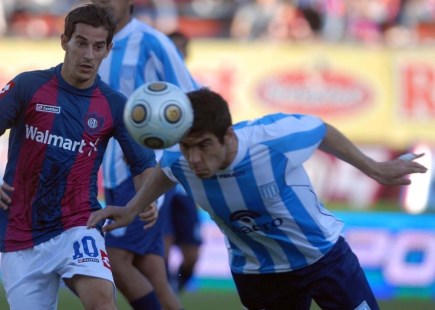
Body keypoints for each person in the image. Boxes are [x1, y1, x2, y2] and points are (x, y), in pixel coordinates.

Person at [87, 88, 428, 310]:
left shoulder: (272, 141)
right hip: (258, 273)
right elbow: (166, 171)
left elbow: (321, 130)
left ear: (228, 137)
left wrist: (374, 168)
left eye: (204, 145)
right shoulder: (180, 158)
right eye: (187, 146)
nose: (194, 159)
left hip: (321, 257)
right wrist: (132, 208)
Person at [0, 4, 158, 310]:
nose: (88, 54)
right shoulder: (28, 86)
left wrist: (147, 200)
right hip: (21, 232)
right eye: (81, 43)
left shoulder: (114, 105)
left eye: (98, 46)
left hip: (79, 223)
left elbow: (144, 164)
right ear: (64, 41)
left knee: (101, 302)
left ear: (108, 49)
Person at [90, 0, 200, 309]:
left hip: (143, 171)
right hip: (112, 172)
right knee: (151, 272)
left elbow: (190, 94)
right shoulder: (93, 45)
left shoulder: (152, 42)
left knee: (116, 260)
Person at [163, 30, 203, 293]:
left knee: (192, 254)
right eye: (172, 50)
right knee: (161, 245)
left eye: (181, 49)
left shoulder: (197, 91)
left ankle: (177, 289)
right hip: (159, 176)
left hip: (187, 179)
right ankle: (163, 293)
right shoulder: (152, 90)